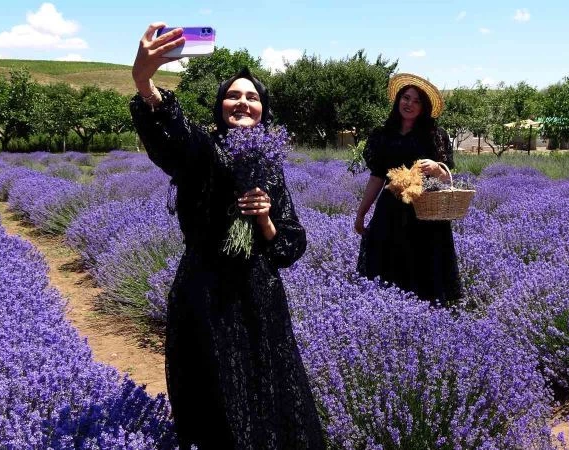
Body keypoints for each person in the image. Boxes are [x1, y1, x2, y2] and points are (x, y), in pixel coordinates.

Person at [129, 23, 324, 449]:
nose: (243, 102)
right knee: (213, 395)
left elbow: (291, 244)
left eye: (252, 97)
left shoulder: (270, 164)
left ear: (263, 109)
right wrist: (145, 82)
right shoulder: (203, 150)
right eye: (234, 95)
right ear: (220, 106)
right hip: (206, 291)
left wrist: (266, 220)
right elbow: (174, 138)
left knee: (265, 392)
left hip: (258, 295)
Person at [355, 73, 462, 307]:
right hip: (390, 211)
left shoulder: (435, 136)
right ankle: (386, 313)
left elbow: (447, 177)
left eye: (417, 101)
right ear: (398, 101)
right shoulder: (382, 136)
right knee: (387, 264)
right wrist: (362, 212)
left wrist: (436, 168)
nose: (410, 104)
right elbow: (376, 178)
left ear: (424, 107)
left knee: (423, 266)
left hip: (424, 214)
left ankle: (424, 317)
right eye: (406, 98)